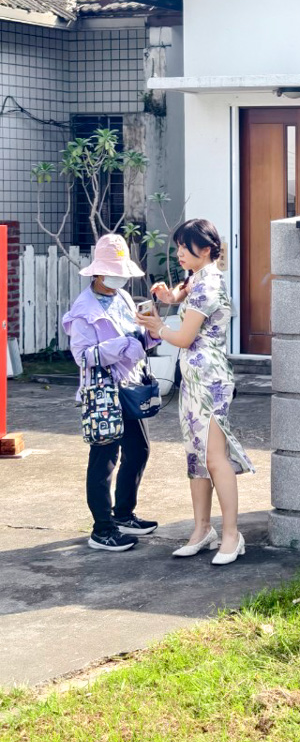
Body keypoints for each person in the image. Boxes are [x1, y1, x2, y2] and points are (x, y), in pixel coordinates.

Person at [138, 219, 254, 565]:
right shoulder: (198, 279)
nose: (178, 254)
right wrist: (169, 297)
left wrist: (159, 327)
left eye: (184, 248)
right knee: (196, 456)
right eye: (177, 248)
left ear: (205, 250)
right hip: (194, 378)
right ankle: (202, 529)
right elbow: (182, 294)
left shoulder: (209, 285)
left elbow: (185, 337)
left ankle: (232, 534)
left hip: (210, 379)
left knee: (215, 459)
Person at [62, 234, 159, 552]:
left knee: (140, 450)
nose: (119, 278)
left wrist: (149, 335)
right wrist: (123, 345)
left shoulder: (123, 297)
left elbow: (136, 336)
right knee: (104, 459)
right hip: (102, 393)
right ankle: (102, 529)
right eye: (113, 271)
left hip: (128, 387)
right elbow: (83, 357)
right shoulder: (82, 311)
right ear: (98, 273)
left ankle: (123, 514)